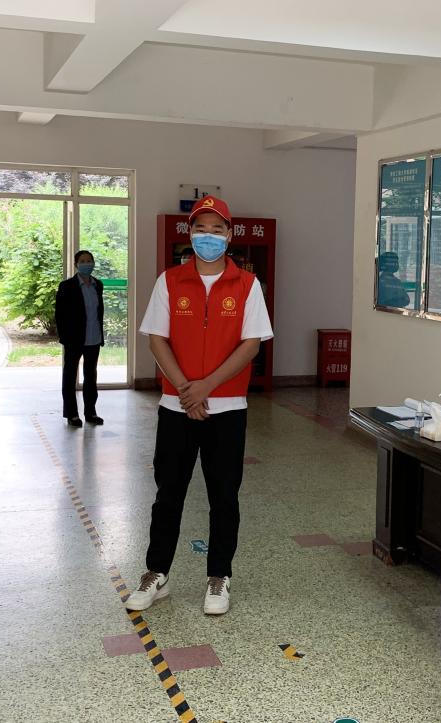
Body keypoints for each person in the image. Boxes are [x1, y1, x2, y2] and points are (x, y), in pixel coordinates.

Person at [129, 195, 273, 616]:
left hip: (227, 409)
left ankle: (219, 576)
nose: (208, 236)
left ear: (230, 235)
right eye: (200, 228)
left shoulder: (247, 285)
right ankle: (157, 573)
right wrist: (184, 389)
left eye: (216, 229)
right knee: (168, 495)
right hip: (177, 408)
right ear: (189, 234)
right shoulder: (170, 281)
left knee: (224, 496)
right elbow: (157, 339)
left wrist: (205, 386)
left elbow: (251, 345)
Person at [55, 250, 105, 427]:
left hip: (94, 338)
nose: (86, 264)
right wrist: (64, 337)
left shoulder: (98, 285)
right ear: (76, 265)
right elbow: (59, 314)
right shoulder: (66, 286)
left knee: (91, 376)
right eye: (82, 261)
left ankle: (90, 412)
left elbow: (98, 312)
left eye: (89, 260)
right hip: (74, 339)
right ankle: (72, 414)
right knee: (70, 376)